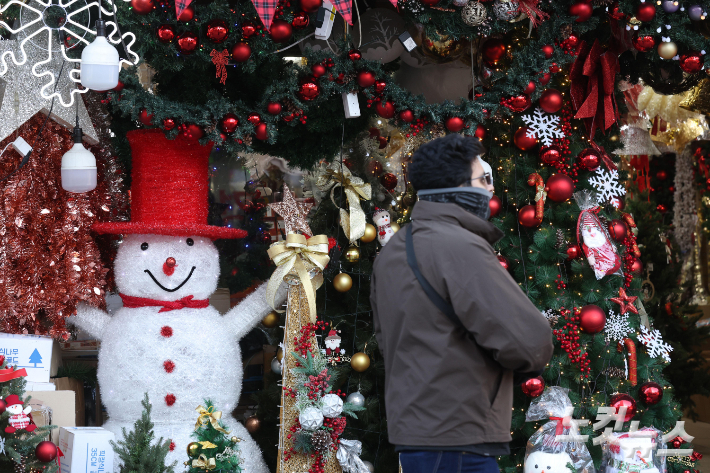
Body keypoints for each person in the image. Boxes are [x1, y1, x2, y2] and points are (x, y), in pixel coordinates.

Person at [371, 134, 554, 473]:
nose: (489, 189)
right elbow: (529, 341)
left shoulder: (394, 250)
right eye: (483, 179)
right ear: (457, 187)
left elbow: (387, 340)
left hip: (419, 435)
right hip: (457, 441)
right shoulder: (458, 245)